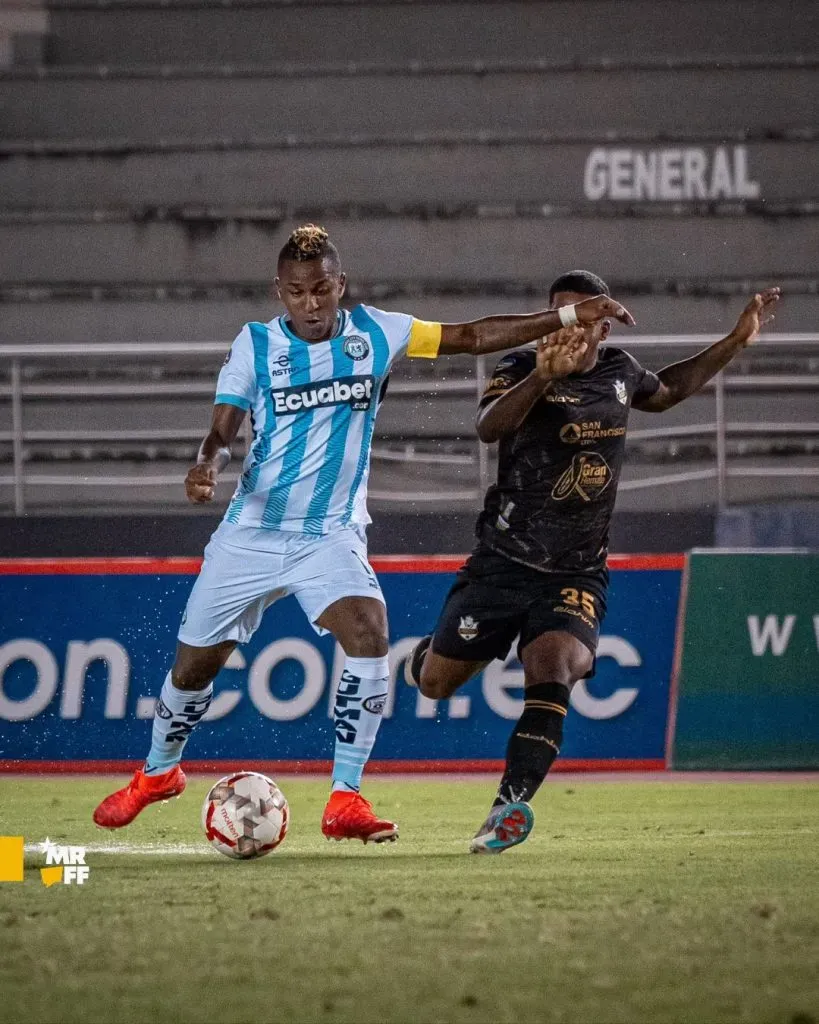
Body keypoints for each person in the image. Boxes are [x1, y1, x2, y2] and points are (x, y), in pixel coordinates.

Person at [92, 228, 636, 843]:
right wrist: (207, 465)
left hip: (330, 533)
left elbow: (471, 336)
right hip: (251, 533)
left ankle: (345, 796)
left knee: (370, 631)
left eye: (322, 288)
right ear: (281, 292)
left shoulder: (376, 332)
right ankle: (159, 772)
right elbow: (223, 428)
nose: (312, 303)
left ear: (340, 286)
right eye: (297, 292)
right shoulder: (256, 344)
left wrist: (566, 315)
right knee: (194, 668)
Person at [405, 271, 780, 853]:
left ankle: (507, 810)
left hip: (576, 572)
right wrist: (540, 378)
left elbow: (669, 390)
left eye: (583, 318)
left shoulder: (621, 372)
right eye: (561, 317)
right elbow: (487, 428)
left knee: (556, 670)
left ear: (603, 326)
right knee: (434, 684)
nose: (571, 329)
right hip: (502, 564)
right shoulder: (517, 369)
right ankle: (427, 654)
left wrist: (734, 341)